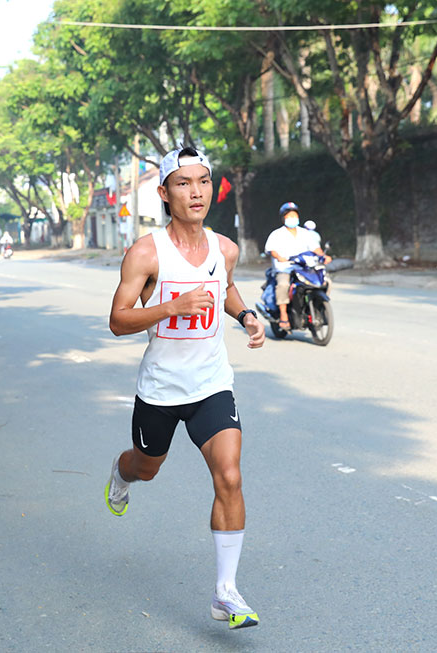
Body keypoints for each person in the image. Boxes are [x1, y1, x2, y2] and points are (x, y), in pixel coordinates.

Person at [106, 145, 265, 630]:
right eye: (182, 183)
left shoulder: (225, 249)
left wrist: (246, 315)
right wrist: (170, 308)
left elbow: (226, 286)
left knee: (230, 476)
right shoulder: (147, 252)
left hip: (212, 384)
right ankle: (121, 472)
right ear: (164, 193)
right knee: (146, 467)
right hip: (160, 389)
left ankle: (225, 592)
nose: (194, 192)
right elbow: (118, 320)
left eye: (202, 182)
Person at [264, 202, 330, 331]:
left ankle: (318, 306)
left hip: (304, 267)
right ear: (284, 218)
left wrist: (323, 256)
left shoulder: (306, 233)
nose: (292, 218)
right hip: (285, 267)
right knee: (283, 285)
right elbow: (271, 250)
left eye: (294, 215)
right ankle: (283, 315)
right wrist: (279, 257)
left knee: (326, 281)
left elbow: (315, 248)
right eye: (289, 216)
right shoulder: (277, 234)